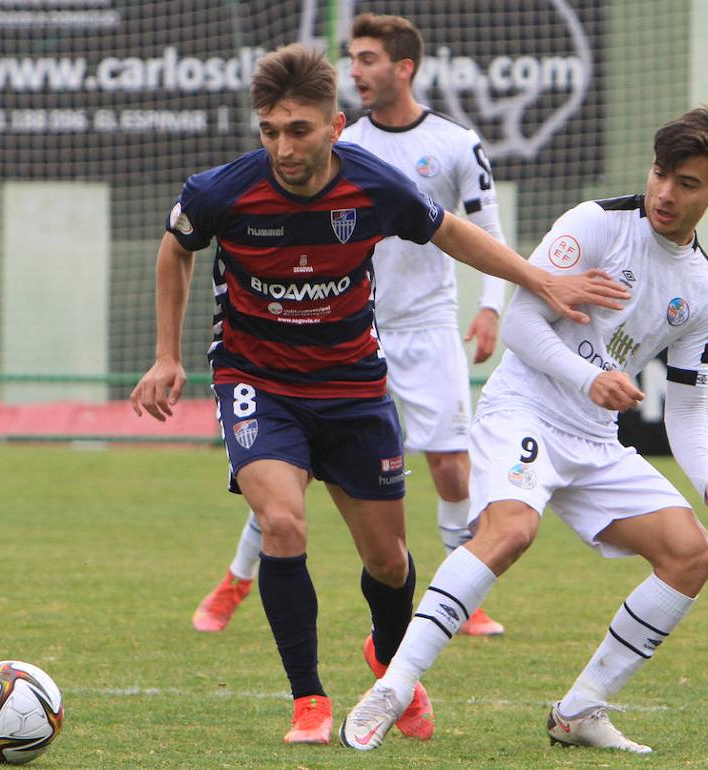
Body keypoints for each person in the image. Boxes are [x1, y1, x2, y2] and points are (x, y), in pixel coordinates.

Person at [129, 43, 628, 745]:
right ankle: (309, 699)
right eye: (270, 130)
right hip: (257, 382)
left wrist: (539, 282)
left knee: (388, 562)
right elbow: (175, 247)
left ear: (335, 126)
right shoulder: (222, 191)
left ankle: (389, 663)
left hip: (354, 385)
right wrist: (164, 355)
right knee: (282, 524)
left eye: (298, 130)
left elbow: (453, 232)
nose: (283, 146)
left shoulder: (373, 185)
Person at [339, 106, 708, 754]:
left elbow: (685, 404)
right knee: (512, 531)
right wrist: (587, 378)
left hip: (594, 441)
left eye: (685, 182)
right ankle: (394, 687)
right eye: (660, 174)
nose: (664, 193)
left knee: (691, 555)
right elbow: (519, 326)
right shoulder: (595, 224)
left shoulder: (705, 291)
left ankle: (579, 712)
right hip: (525, 409)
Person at [191, 13, 511, 639]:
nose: (357, 71)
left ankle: (458, 592)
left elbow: (479, 234)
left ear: (404, 67)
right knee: (288, 472)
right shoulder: (335, 143)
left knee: (450, 466)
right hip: (334, 335)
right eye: (353, 60)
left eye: (368, 60)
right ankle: (236, 579)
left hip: (425, 327)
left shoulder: (454, 143)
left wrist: (492, 305)